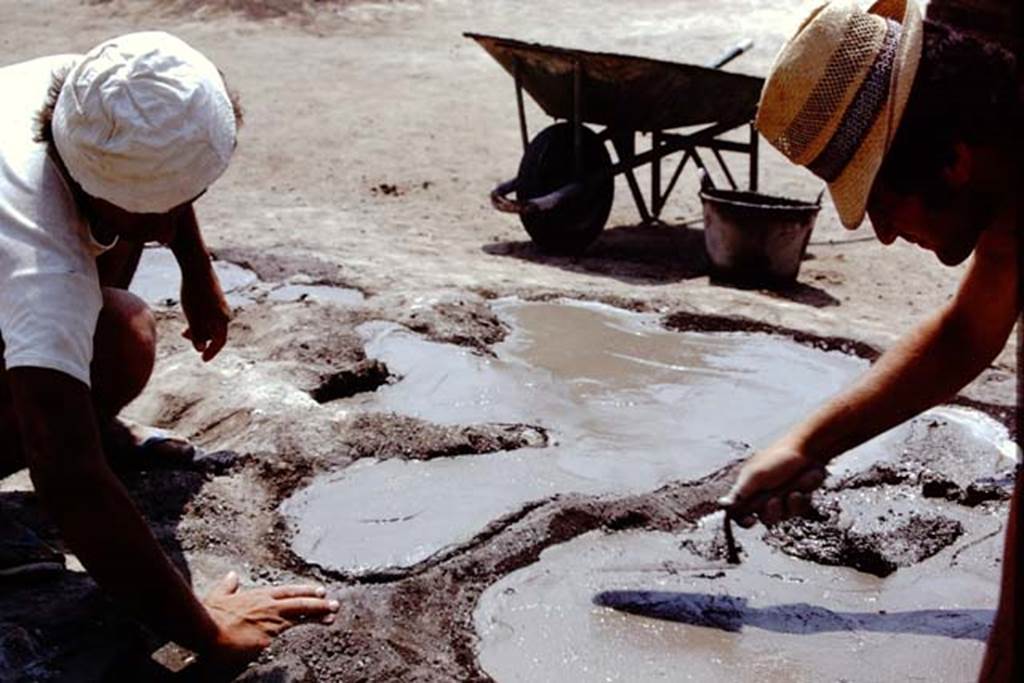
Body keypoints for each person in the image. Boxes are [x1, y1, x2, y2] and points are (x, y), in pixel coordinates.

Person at [0, 32, 337, 670]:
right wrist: (206, 629)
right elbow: (66, 477)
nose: (167, 225)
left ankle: (83, 418)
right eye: (157, 215)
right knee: (121, 337)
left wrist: (197, 271)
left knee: (119, 325)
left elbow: (155, 181)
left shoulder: (102, 96)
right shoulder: (40, 264)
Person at [720, 1, 1019, 680]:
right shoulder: (1006, 169)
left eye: (881, 200)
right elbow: (969, 329)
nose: (881, 233)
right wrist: (804, 443)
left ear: (953, 160)